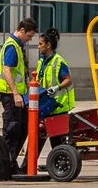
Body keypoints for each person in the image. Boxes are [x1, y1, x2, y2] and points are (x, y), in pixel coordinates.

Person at [0, 17, 37, 172]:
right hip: (11, 96)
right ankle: (4, 165)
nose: (29, 40)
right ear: (22, 31)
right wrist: (16, 94)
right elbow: (7, 71)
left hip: (18, 96)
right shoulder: (12, 46)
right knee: (12, 131)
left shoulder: (17, 46)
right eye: (29, 36)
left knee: (22, 129)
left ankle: (10, 162)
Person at [29, 29, 76, 169]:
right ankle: (33, 164)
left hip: (58, 106)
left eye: (40, 44)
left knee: (57, 141)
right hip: (46, 106)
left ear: (48, 45)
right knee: (39, 137)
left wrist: (57, 88)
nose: (38, 47)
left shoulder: (58, 61)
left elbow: (68, 80)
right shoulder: (42, 62)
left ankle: (60, 165)